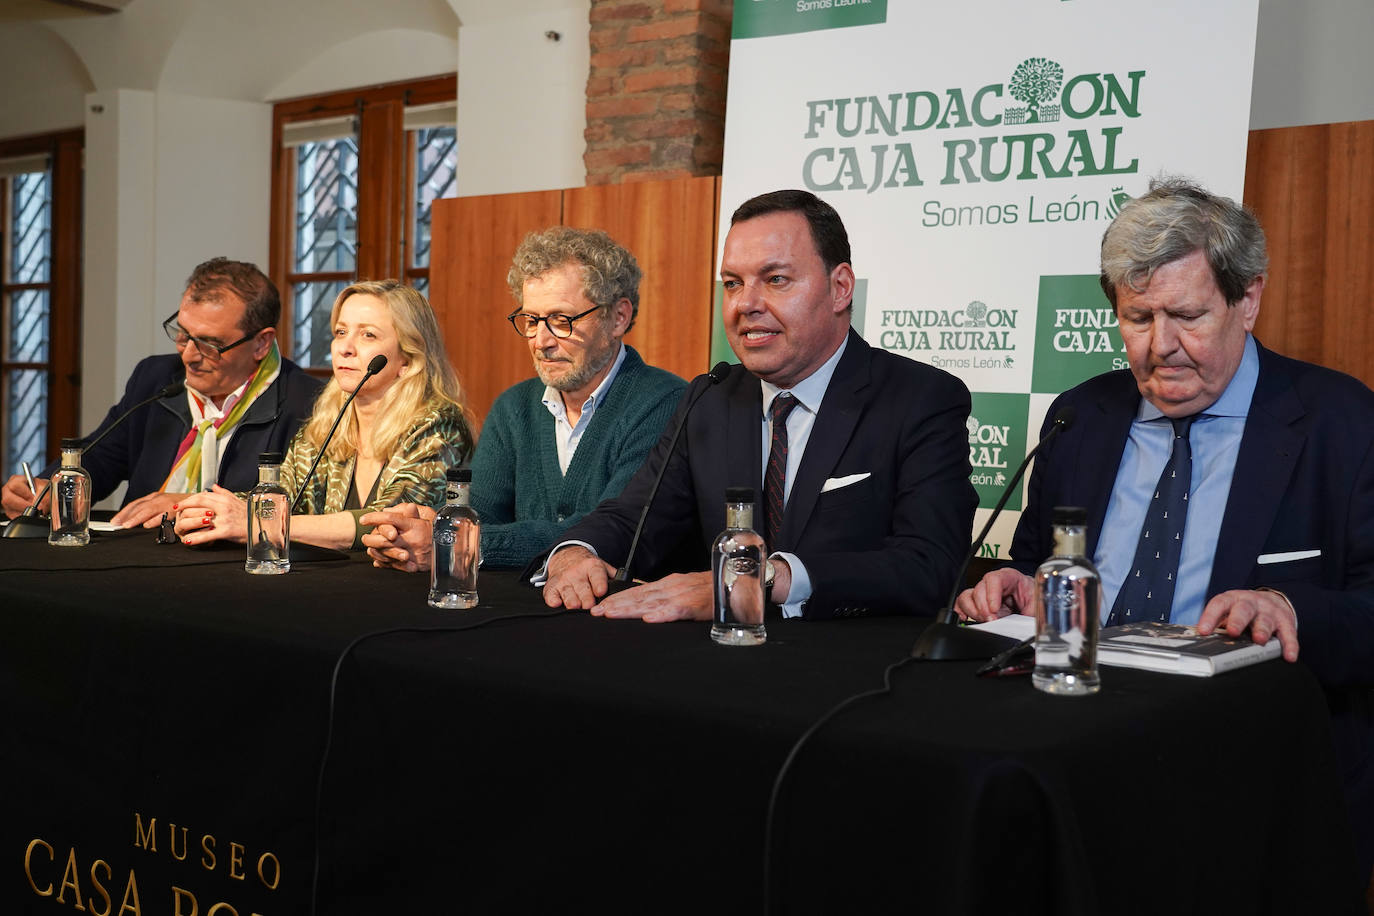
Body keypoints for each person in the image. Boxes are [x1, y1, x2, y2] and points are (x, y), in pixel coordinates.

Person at [955, 177, 1374, 884]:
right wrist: (1013, 587)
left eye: (1187, 315)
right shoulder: (1080, 418)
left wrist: (1292, 607)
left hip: (1255, 778)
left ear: (1249, 301)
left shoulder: (1342, 422)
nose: (1162, 347)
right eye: (1139, 317)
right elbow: (1035, 567)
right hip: (1076, 758)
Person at [540, 189, 977, 621]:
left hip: (852, 669)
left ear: (840, 288)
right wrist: (576, 552)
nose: (745, 304)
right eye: (733, 283)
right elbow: (636, 516)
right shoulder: (709, 398)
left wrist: (760, 580)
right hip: (719, 664)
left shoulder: (922, 398)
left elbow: (930, 566)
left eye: (776, 280)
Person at [361, 227, 685, 571]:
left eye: (562, 321)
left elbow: (609, 533)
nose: (540, 340)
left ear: (618, 317)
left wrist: (459, 542)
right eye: (531, 320)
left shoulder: (665, 403)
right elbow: (480, 517)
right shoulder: (513, 407)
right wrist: (432, 528)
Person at [1, 258, 320, 528]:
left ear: (262, 343)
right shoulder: (155, 378)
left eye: (210, 344)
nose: (189, 356)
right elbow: (101, 456)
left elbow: (305, 512)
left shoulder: (307, 405)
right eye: (183, 335)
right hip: (138, 557)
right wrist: (50, 488)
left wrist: (194, 507)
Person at [173, 280, 473, 550]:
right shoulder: (329, 418)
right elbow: (283, 493)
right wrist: (212, 510)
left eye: (368, 335)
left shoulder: (439, 424)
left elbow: (390, 523)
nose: (345, 347)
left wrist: (257, 521)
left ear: (407, 357)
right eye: (341, 332)